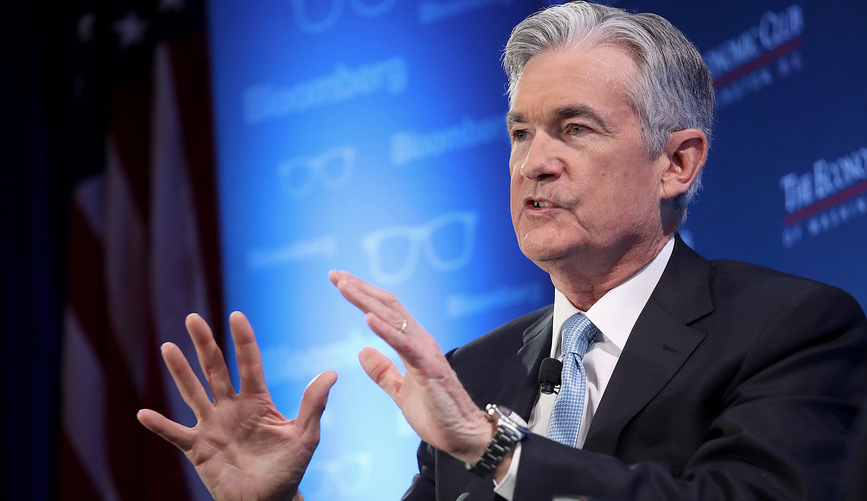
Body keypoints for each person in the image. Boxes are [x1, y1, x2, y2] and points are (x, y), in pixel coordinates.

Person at [136, 2, 867, 500]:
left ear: (676, 162)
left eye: (575, 128)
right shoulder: (472, 372)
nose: (532, 163)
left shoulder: (787, 327)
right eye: (521, 133)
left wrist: (497, 450)